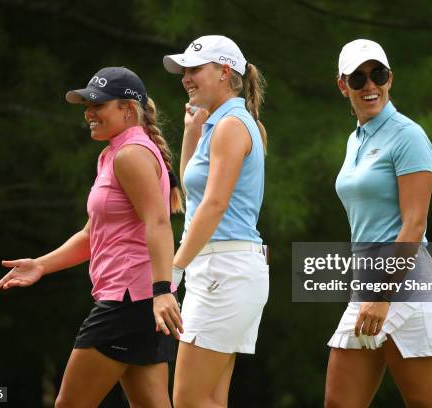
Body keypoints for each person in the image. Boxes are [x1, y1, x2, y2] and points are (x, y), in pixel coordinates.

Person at [0, 66, 184, 408]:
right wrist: (40, 265)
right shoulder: (113, 153)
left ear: (128, 109)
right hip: (139, 302)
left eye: (98, 105)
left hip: (129, 302)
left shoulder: (130, 155)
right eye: (86, 105)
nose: (89, 113)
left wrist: (161, 292)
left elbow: (158, 223)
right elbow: (90, 234)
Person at [325, 39, 432, 407]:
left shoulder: (408, 136)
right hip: (366, 291)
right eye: (358, 78)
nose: (370, 86)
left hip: (402, 291)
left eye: (377, 74)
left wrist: (382, 295)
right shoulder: (356, 139)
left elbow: (414, 225)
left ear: (389, 78)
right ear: (342, 85)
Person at [162, 35, 269, 407]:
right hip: (220, 270)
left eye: (194, 69)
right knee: (208, 399)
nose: (185, 78)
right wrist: (192, 132)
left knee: (189, 399)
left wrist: (174, 267)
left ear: (225, 72)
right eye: (184, 71)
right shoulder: (220, 124)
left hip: (225, 270)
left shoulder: (231, 126)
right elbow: (194, 194)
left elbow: (214, 205)